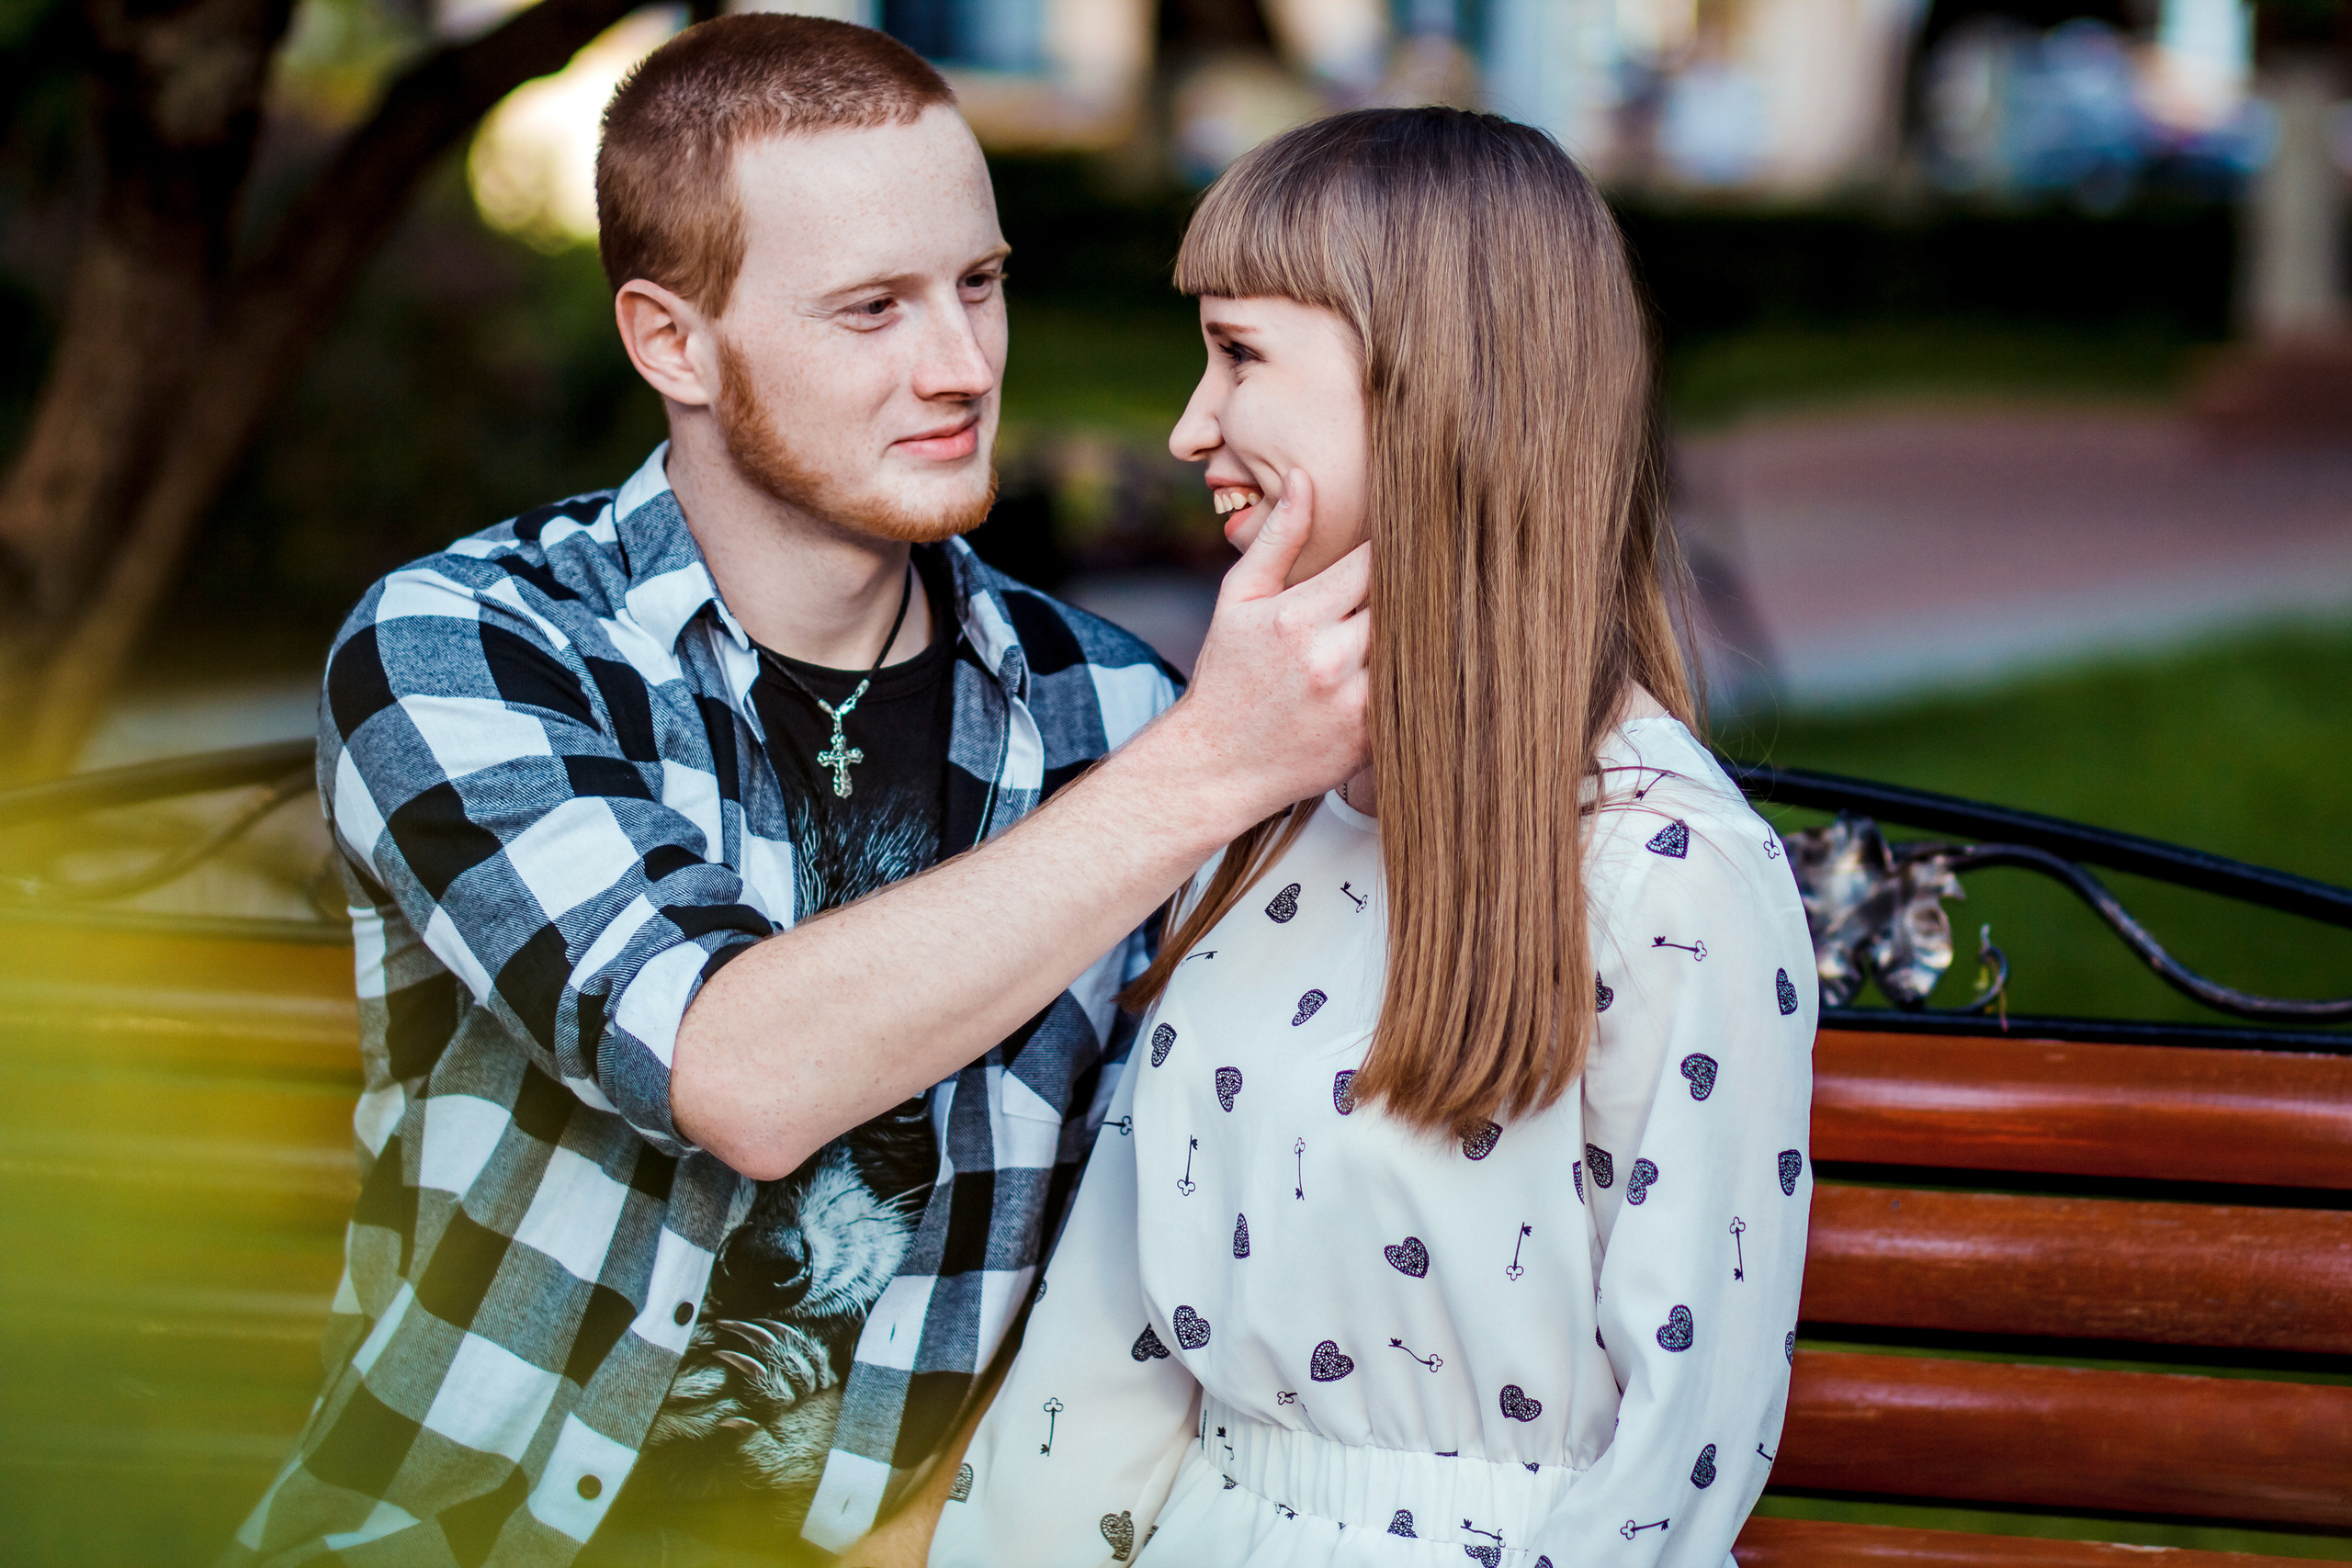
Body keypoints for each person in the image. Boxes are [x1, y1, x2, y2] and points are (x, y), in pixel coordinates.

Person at [226, 17, 1368, 1566]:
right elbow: (726, 1072)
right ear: (670, 342)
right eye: (872, 309)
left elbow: (1164, 1242)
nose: (961, 366)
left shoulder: (1106, 712)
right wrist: (1215, 765)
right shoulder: (466, 648)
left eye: (980, 284)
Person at [923, 107, 1818, 1568]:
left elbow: (1681, 1452)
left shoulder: (1664, 875)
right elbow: (1111, 1350)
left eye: (1240, 354)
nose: (1187, 427)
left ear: (1431, 388)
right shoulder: (1256, 826)